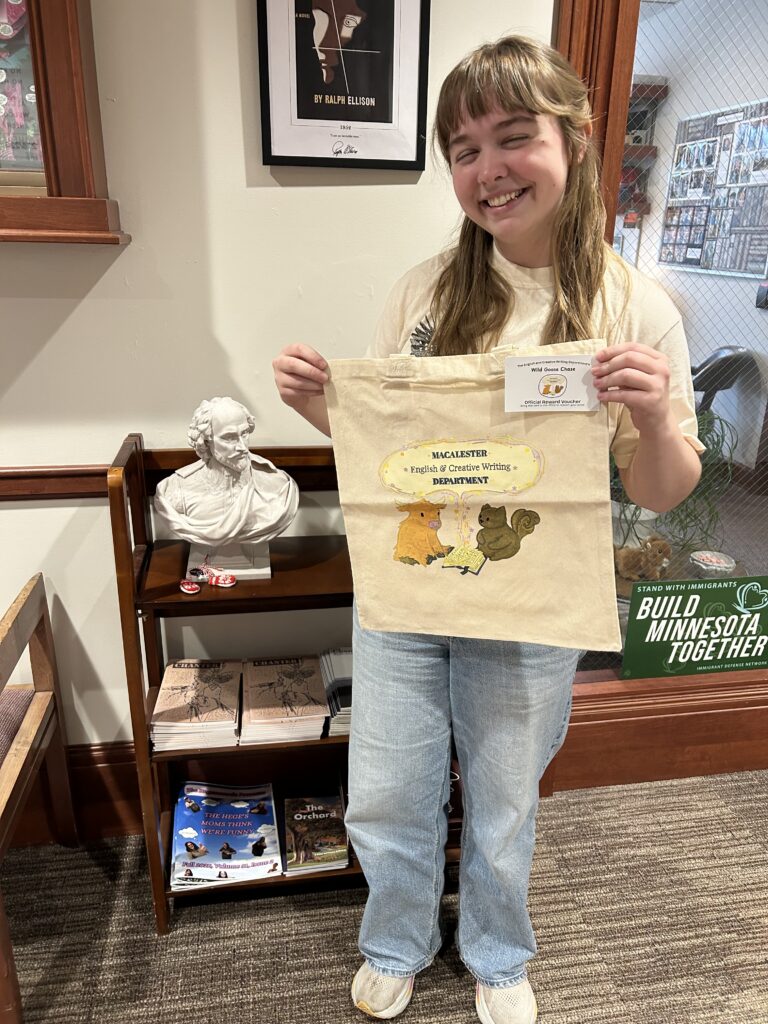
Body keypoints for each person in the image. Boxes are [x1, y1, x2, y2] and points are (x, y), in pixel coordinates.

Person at [272, 35, 703, 1024]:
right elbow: (391, 451)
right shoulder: (424, 294)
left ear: (577, 141)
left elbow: (663, 489)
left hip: (531, 597)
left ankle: (499, 954)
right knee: (388, 785)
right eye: (464, 150)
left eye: (514, 137)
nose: (489, 169)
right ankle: (396, 940)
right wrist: (318, 405)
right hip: (411, 582)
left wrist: (649, 419)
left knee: (506, 794)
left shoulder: (631, 304)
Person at [153, 395, 298, 547]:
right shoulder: (176, 490)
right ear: (206, 441)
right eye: (229, 438)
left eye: (244, 433)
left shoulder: (279, 485)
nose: (242, 447)